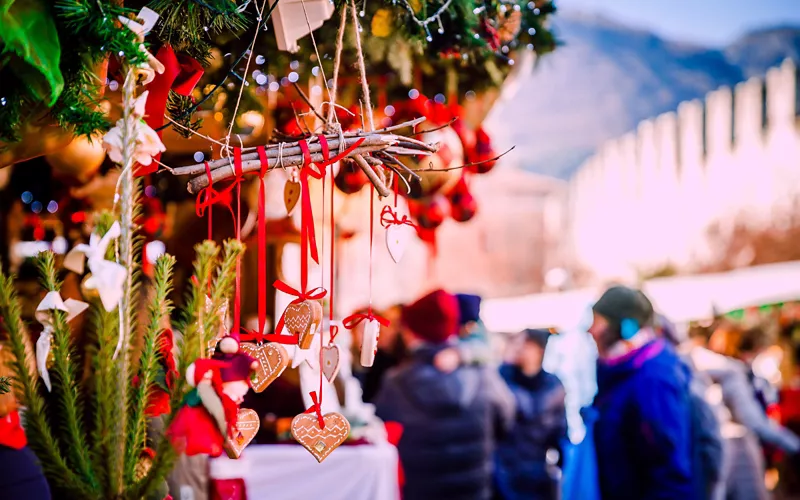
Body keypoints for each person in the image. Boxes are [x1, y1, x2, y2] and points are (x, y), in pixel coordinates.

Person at [374, 289, 516, 500]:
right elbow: (506, 421)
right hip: (473, 491)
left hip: (419, 491)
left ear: (411, 332)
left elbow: (381, 433)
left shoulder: (397, 382)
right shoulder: (484, 376)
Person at [589, 285, 695, 500]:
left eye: (598, 322)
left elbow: (670, 471)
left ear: (624, 328)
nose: (591, 330)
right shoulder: (620, 372)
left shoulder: (652, 379)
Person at [494, 329, 567, 500]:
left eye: (526, 344)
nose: (520, 349)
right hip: (504, 472)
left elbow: (560, 428)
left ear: (539, 350)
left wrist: (561, 462)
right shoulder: (501, 378)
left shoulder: (553, 385)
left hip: (538, 473)